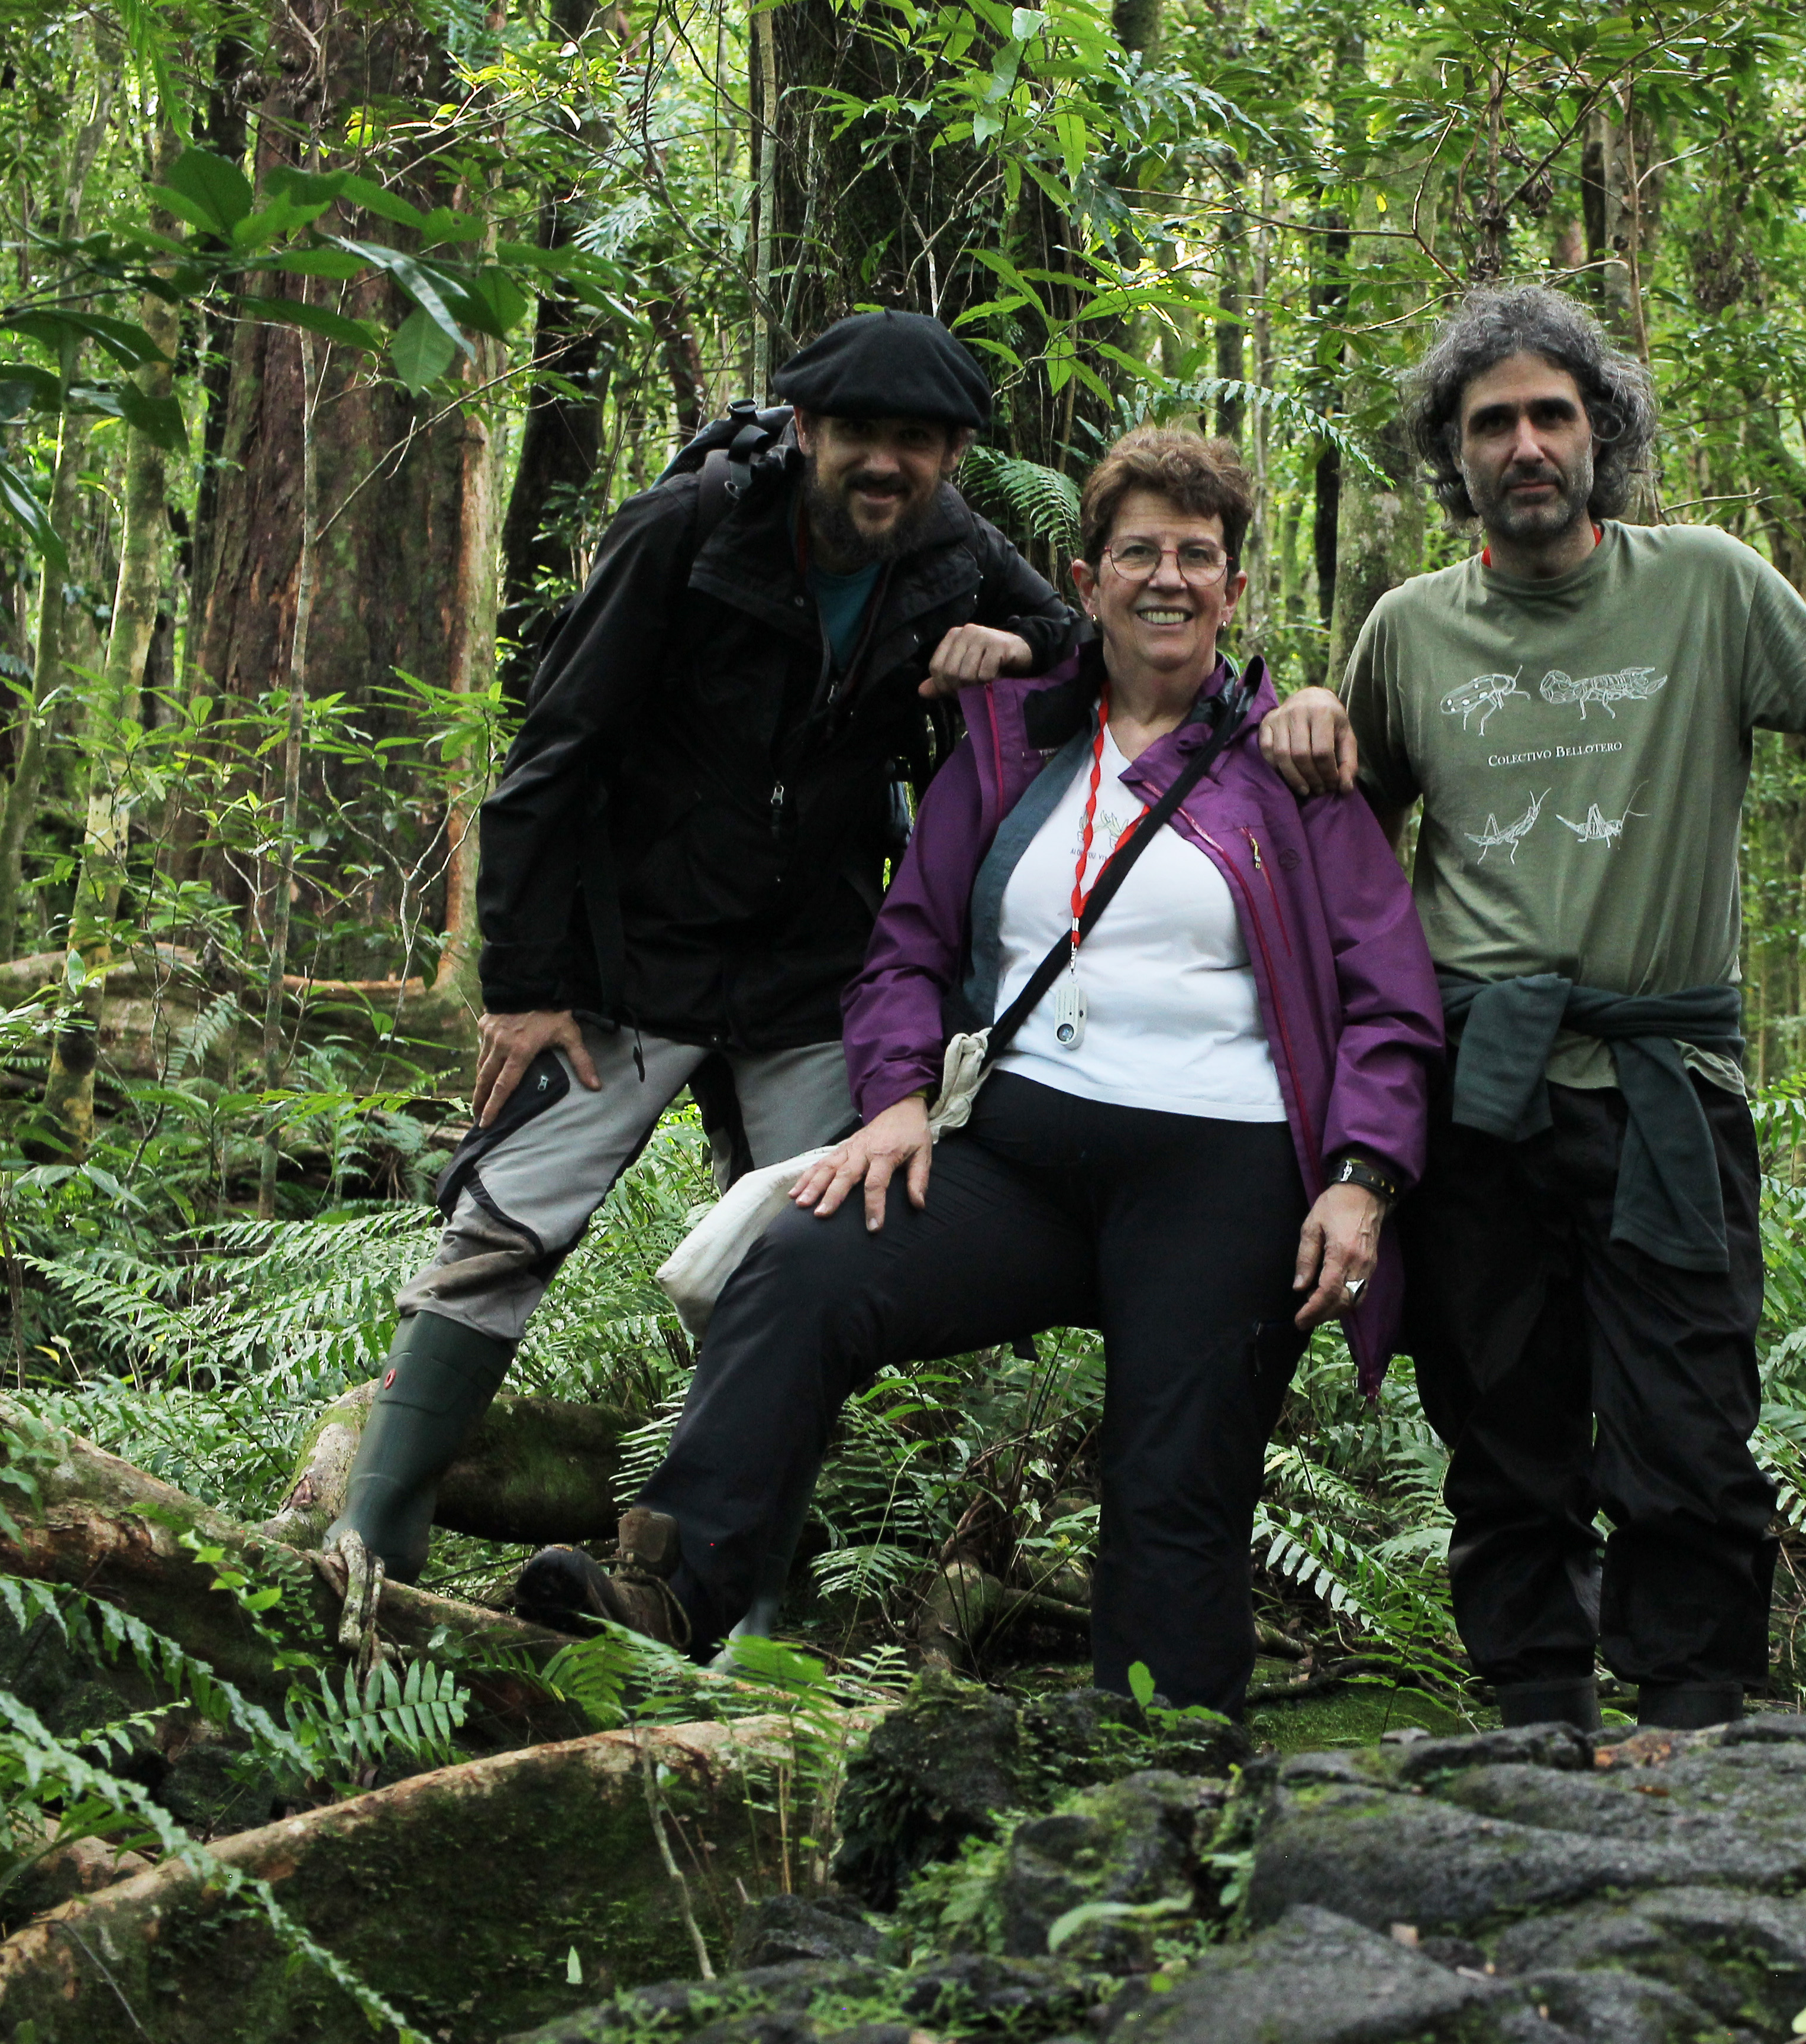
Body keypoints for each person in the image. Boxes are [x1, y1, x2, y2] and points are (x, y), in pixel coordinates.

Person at [512, 430, 1443, 1716]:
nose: (1166, 579)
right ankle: (670, 1585)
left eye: (1197, 557)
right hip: (1017, 1158)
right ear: (1086, 576)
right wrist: (893, 1102)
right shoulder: (1011, 749)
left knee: (1175, 1483)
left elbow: (1392, 997)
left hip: (1221, 1178)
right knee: (807, 1260)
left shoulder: (1289, 768)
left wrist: (1360, 1178)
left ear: (1233, 589)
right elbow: (907, 947)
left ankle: (1158, 1776)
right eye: (1138, 554)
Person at [324, 311, 1078, 1590]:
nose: (883, 466)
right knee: (505, 1227)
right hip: (630, 962)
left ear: (952, 455)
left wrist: (1017, 652)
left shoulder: (961, 555)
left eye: (915, 443)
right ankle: (373, 1545)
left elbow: (1088, 658)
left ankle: (733, 1594)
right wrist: (522, 984)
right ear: (804, 433)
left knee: (795, 1258)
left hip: (810, 970)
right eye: (857, 437)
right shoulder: (689, 529)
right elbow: (551, 755)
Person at [1259, 286, 1806, 1734]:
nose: (1526, 444)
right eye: (1493, 424)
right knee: (1499, 1421)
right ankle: (1534, 1713)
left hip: (1669, 1084)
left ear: (1602, 434)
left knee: (1691, 1420)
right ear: (1453, 457)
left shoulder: (1709, 586)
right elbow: (1351, 856)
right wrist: (1293, 709)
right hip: (1482, 1093)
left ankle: (1695, 1712)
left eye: (1553, 415)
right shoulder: (1408, 630)